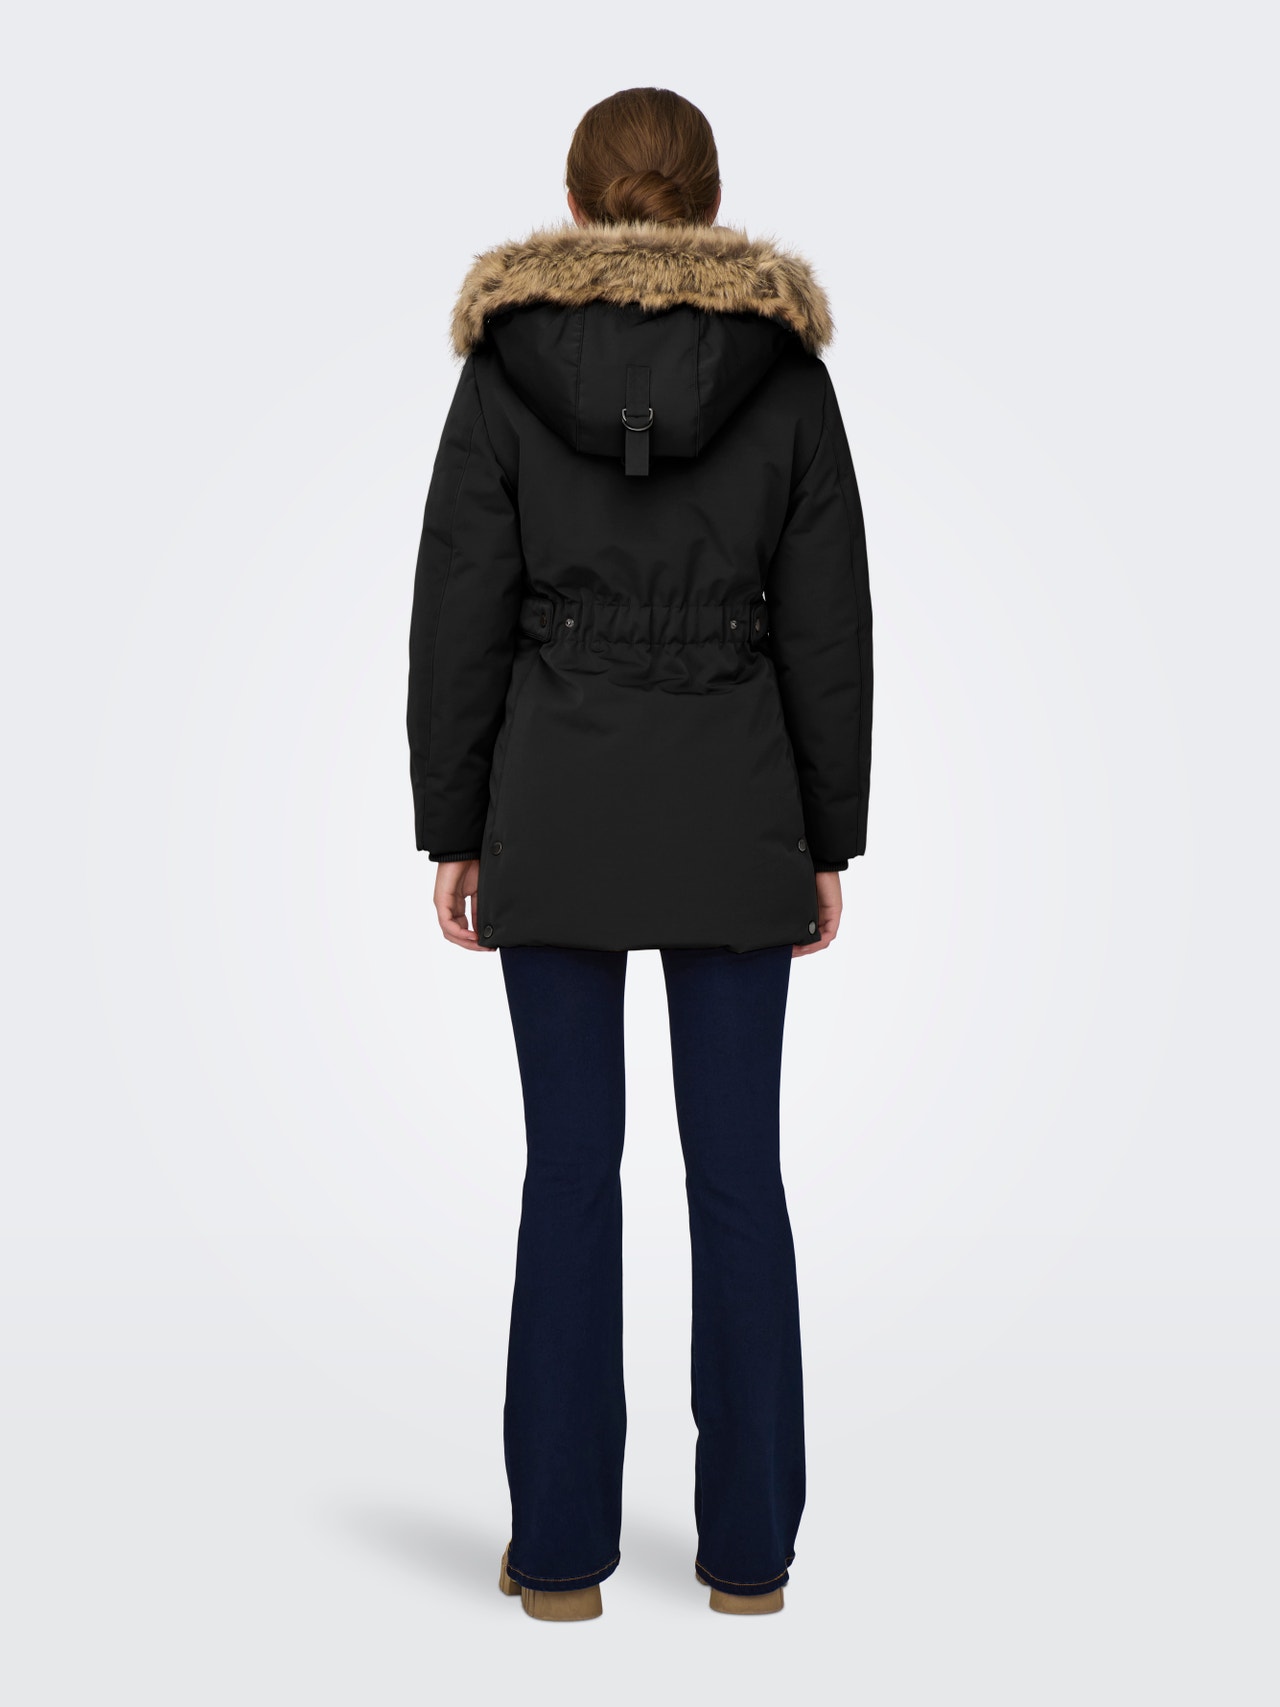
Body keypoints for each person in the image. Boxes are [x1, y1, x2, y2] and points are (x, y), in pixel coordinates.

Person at [406, 86, 873, 1621]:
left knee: (569, 1177)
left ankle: (558, 1561)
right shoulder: (784, 375)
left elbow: (461, 610)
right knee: (739, 1178)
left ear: (576, 202)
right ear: (713, 203)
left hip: (555, 803)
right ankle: (748, 1561)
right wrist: (826, 834)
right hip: (736, 804)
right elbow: (827, 627)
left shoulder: (505, 370)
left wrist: (458, 824)